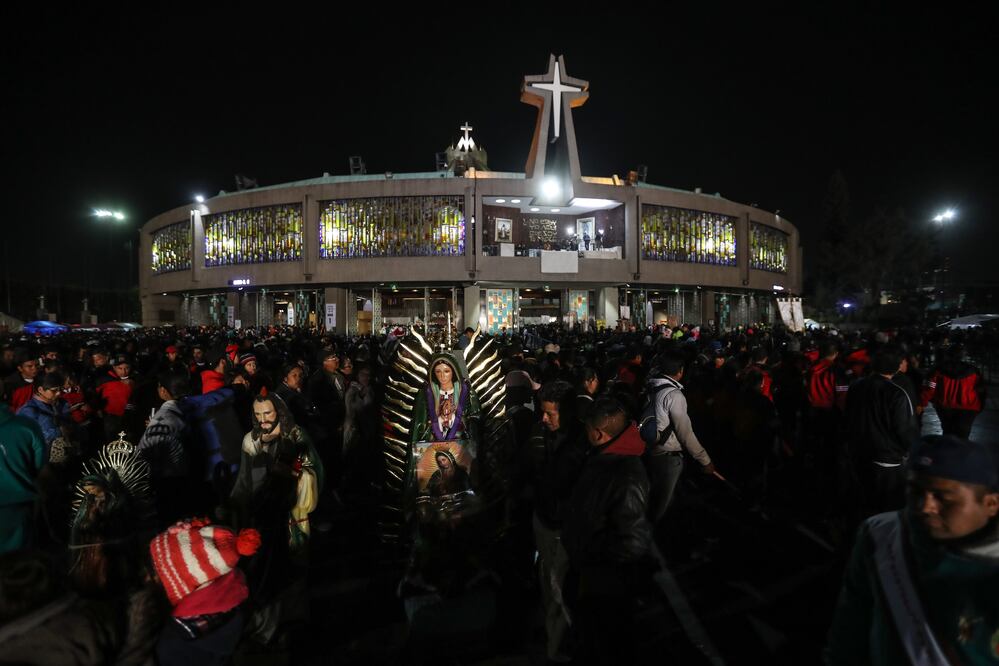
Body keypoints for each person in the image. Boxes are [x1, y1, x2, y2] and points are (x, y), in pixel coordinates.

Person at [826, 435, 999, 665]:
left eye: (943, 498)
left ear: (990, 504)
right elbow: (850, 626)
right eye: (916, 492)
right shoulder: (880, 534)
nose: (925, 507)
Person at [562, 397, 655, 665]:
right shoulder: (603, 457)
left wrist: (591, 552)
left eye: (586, 429)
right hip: (594, 577)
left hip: (607, 586)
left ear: (598, 433)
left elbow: (633, 541)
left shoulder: (626, 474)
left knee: (608, 645)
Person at [150, 518, 261, 666]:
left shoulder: (172, 648)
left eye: (157, 573)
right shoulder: (233, 607)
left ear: (180, 586)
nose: (148, 578)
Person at [845, 347, 919, 517]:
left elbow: (848, 416)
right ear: (897, 368)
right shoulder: (897, 393)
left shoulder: (856, 386)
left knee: (864, 498)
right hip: (886, 458)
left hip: (858, 451)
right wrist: (913, 451)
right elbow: (905, 429)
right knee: (888, 505)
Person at [645, 352, 716, 523]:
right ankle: (652, 535)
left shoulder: (651, 386)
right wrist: (704, 460)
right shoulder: (674, 395)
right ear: (680, 371)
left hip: (651, 449)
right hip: (667, 456)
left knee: (663, 498)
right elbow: (685, 433)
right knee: (662, 506)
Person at [0, 402, 46, 553]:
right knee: (19, 563)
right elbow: (39, 469)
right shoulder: (27, 427)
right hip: (18, 514)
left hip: (19, 511)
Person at [411, 355, 480, 444]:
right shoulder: (427, 394)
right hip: (432, 444)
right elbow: (419, 423)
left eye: (446, 371)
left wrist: (455, 419)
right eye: (438, 371)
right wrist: (438, 421)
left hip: (460, 443)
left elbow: (474, 419)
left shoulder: (466, 392)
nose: (442, 376)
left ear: (453, 371)